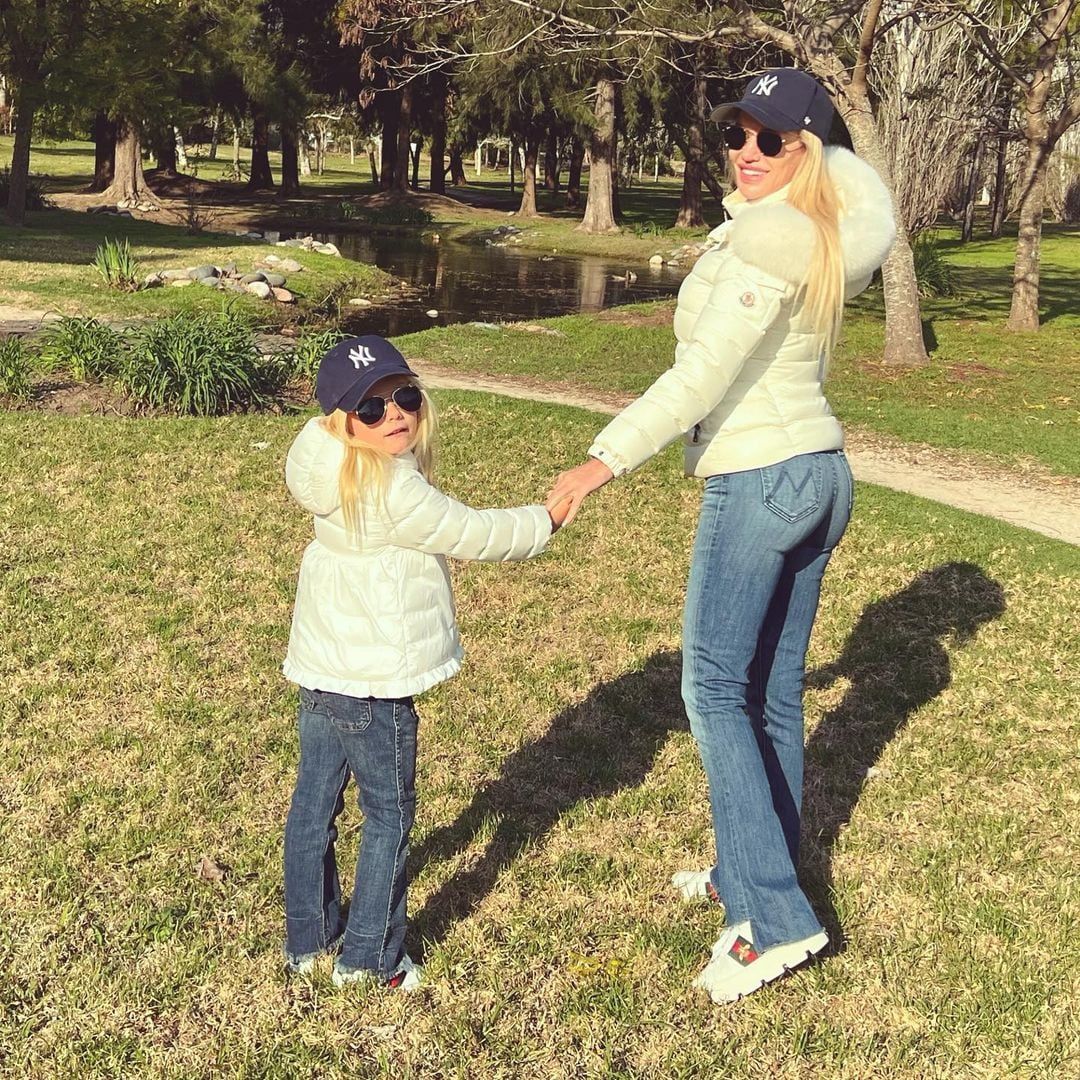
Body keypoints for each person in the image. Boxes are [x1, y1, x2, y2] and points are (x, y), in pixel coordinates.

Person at [546, 68, 896, 1004]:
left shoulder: (773, 245)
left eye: (769, 139)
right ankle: (750, 873)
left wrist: (599, 461)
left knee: (712, 691)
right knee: (771, 695)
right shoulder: (812, 239)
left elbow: (700, 379)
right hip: (820, 472)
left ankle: (773, 919)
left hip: (762, 477)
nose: (745, 151)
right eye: (736, 134)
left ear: (808, 154)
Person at [282, 335, 567, 989]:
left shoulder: (320, 463)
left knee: (313, 807)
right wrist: (544, 520)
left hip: (323, 670)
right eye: (372, 409)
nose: (396, 415)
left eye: (403, 396)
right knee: (388, 815)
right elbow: (474, 531)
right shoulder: (391, 489)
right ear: (342, 422)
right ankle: (371, 959)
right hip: (375, 682)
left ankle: (309, 939)